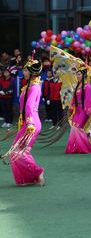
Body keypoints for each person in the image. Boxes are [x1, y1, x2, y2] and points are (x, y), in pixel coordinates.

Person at [1, 56, 45, 186]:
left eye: (26, 70)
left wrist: (30, 123)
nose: (23, 72)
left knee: (18, 151)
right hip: (27, 122)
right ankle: (29, 177)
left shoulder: (34, 87)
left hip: (31, 123)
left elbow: (29, 106)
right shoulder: (30, 85)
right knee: (16, 151)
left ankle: (37, 173)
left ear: (32, 72)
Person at [66, 66, 91, 154]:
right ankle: (75, 147)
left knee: (78, 127)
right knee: (74, 127)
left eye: (79, 74)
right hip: (77, 110)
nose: (77, 76)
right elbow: (74, 99)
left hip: (84, 110)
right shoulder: (78, 85)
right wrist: (70, 109)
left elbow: (88, 99)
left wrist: (88, 111)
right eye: (77, 74)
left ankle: (84, 148)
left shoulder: (87, 86)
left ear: (84, 75)